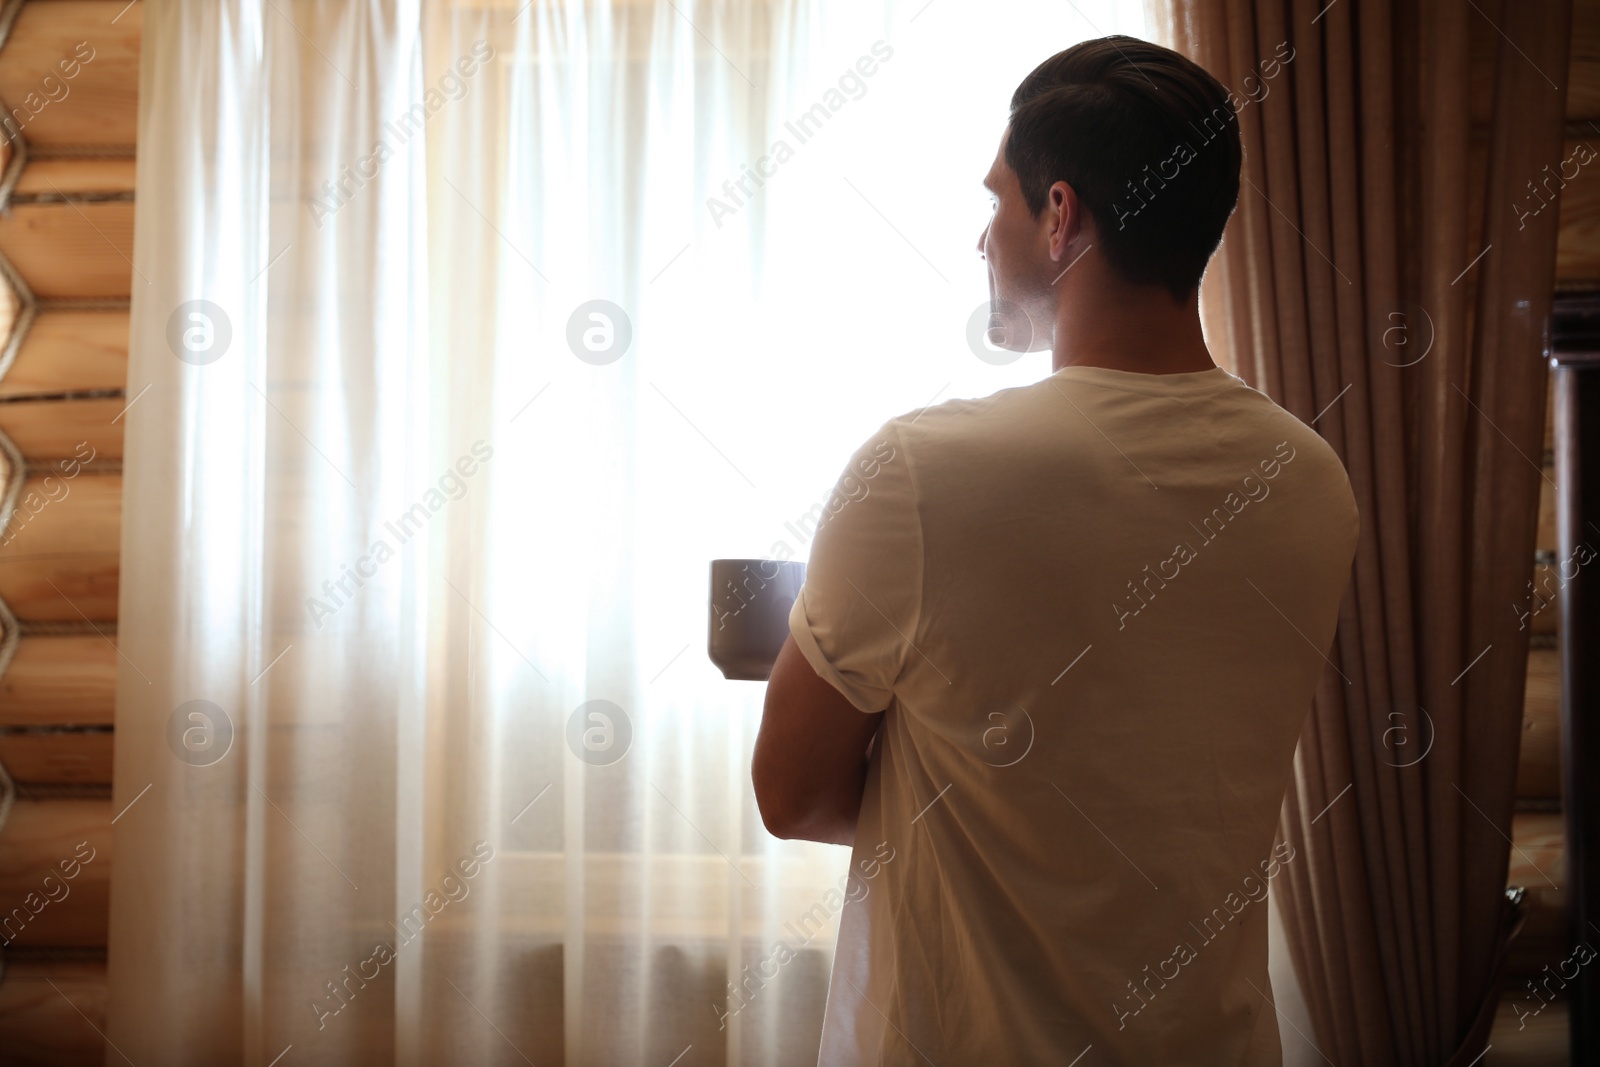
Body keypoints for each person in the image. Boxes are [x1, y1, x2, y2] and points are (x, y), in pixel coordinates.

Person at [750, 34, 1358, 1066]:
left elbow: (792, 792)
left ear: (1061, 215)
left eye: (997, 203)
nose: (982, 240)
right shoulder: (1308, 478)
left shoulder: (920, 471)